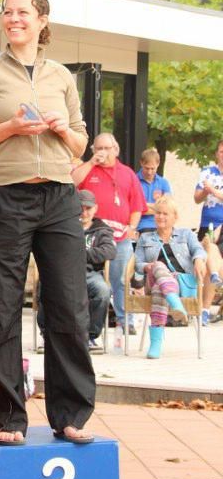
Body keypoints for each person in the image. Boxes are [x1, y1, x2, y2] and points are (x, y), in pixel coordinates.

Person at [0, 0, 95, 445]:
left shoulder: (61, 77)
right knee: (2, 305)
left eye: (22, 12)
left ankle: (70, 414)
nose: (13, 18)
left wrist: (61, 131)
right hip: (8, 197)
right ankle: (8, 417)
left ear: (41, 19)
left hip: (59, 197)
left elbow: (81, 143)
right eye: (6, 12)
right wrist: (11, 127)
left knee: (68, 304)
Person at [73, 132, 146, 336]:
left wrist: (132, 227)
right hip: (93, 236)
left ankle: (125, 320)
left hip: (120, 237)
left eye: (106, 148)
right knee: (95, 283)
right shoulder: (88, 170)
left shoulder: (128, 173)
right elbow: (71, 182)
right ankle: (90, 326)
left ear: (116, 150)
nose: (102, 152)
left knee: (120, 279)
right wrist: (90, 162)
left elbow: (137, 205)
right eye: (98, 148)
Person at [133, 195, 207, 355]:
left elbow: (199, 249)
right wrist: (148, 266)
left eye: (165, 214)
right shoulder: (145, 237)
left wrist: (199, 259)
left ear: (175, 217)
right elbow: (137, 263)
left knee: (161, 288)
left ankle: (156, 345)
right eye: (158, 213)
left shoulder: (186, 234)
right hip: (152, 280)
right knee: (158, 266)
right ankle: (175, 304)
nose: (160, 217)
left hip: (179, 284)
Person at [78, 189, 116, 350]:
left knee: (103, 290)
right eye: (81, 208)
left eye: (88, 208)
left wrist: (81, 254)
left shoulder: (102, 230)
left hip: (91, 273)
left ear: (95, 209)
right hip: (65, 272)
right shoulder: (64, 227)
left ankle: (90, 336)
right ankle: (48, 334)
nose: (84, 212)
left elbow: (110, 251)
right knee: (48, 286)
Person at [194, 140, 223, 253]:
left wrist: (212, 190)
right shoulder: (206, 172)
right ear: (216, 154)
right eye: (221, 152)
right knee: (203, 255)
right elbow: (196, 199)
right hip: (207, 223)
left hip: (222, 226)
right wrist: (205, 192)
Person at [136, 148, 171, 234]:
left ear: (158, 164)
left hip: (163, 224)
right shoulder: (134, 181)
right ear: (141, 163)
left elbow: (168, 206)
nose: (149, 172)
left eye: (153, 168)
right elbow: (136, 208)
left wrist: (145, 206)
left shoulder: (163, 182)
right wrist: (158, 207)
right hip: (142, 225)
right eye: (146, 168)